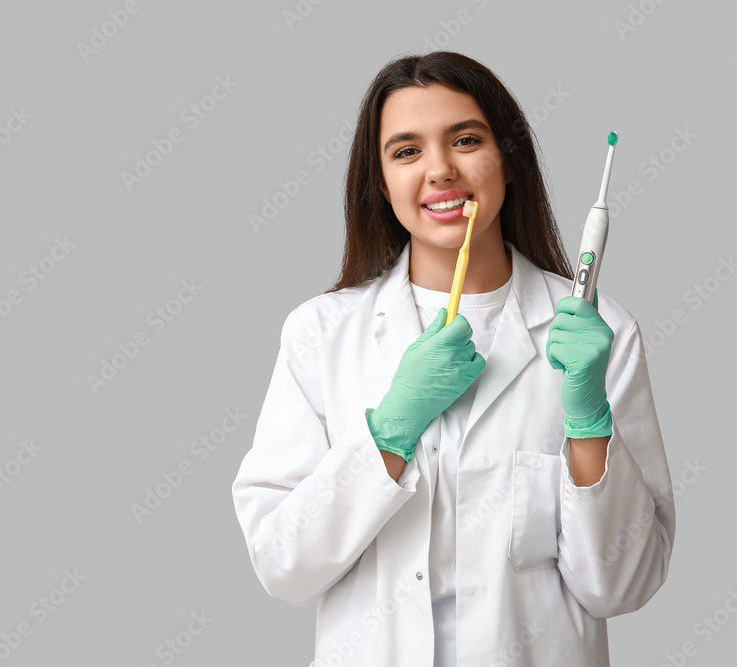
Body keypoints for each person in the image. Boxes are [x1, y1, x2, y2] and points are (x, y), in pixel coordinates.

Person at [231, 51, 674, 666]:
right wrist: (389, 435)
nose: (440, 170)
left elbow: (623, 584)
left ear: (508, 160)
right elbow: (284, 566)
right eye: (406, 151)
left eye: (465, 140)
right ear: (381, 185)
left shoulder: (601, 334)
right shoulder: (321, 334)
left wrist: (589, 423)